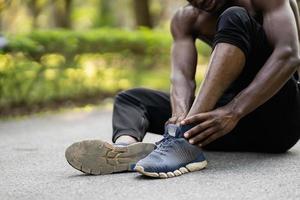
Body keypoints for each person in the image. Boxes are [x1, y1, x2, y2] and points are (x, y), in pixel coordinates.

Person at [65, 0, 300, 178]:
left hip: (277, 120)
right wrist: (180, 113)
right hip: (218, 128)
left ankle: (180, 142)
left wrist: (233, 111)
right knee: (131, 99)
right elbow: (181, 77)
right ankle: (126, 149)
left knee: (234, 16)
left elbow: (289, 55)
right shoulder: (187, 18)